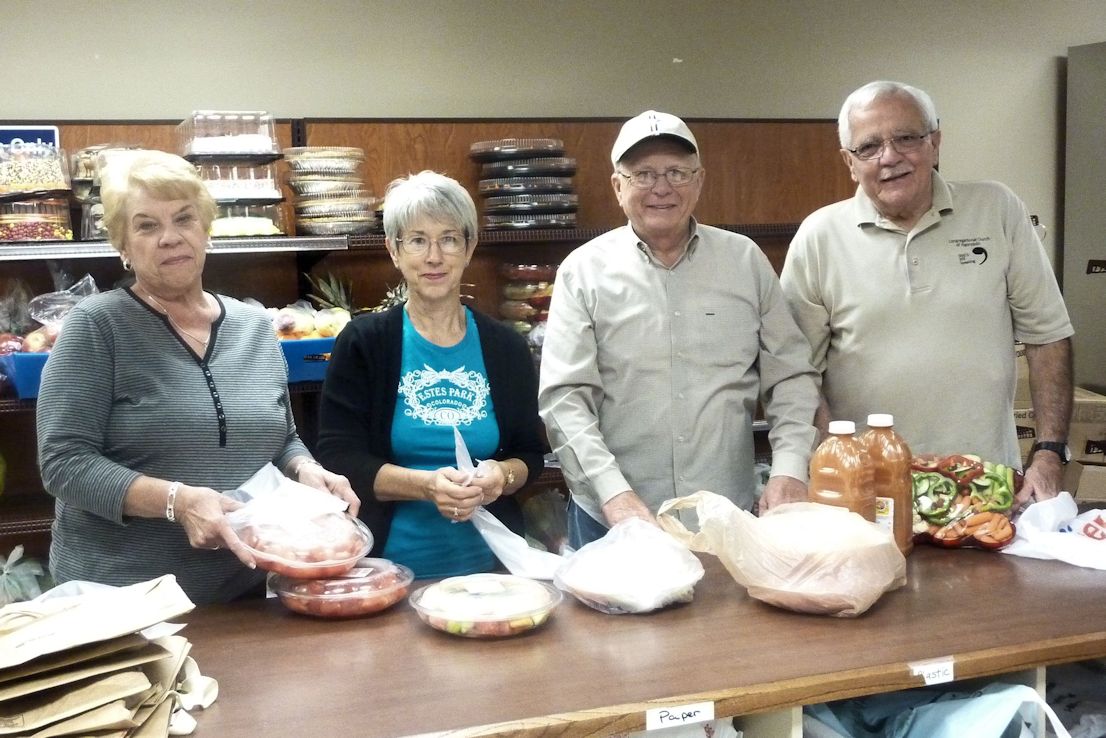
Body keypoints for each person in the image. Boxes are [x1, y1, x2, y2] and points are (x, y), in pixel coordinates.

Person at [36, 149, 357, 605]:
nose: (170, 238)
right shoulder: (97, 327)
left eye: (184, 219)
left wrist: (306, 469)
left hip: (243, 592)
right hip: (122, 603)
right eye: (147, 225)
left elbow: (281, 435)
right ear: (123, 246)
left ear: (206, 230)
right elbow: (63, 463)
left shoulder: (253, 327)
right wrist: (177, 502)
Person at [780, 80, 1074, 506]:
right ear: (849, 161)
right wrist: (834, 461)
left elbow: (1047, 335)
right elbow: (796, 371)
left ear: (935, 142)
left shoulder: (997, 209)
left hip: (983, 482)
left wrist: (1049, 452)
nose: (890, 157)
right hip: (868, 489)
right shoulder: (819, 236)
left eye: (906, 138)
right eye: (869, 147)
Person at [538, 110, 821, 548]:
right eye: (644, 174)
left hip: (724, 517)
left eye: (676, 172)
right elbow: (565, 400)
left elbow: (791, 378)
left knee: (733, 620)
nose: (662, 188)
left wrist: (789, 468)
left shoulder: (745, 262)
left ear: (700, 181)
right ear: (617, 186)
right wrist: (615, 496)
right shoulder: (583, 272)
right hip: (612, 520)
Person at [315, 170, 545, 578]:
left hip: (494, 575)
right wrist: (426, 486)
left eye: (449, 239)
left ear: (469, 247)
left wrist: (502, 475)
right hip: (385, 574)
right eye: (417, 240)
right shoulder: (364, 343)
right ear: (393, 250)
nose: (434, 256)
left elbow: (529, 452)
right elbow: (339, 458)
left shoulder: (506, 347)